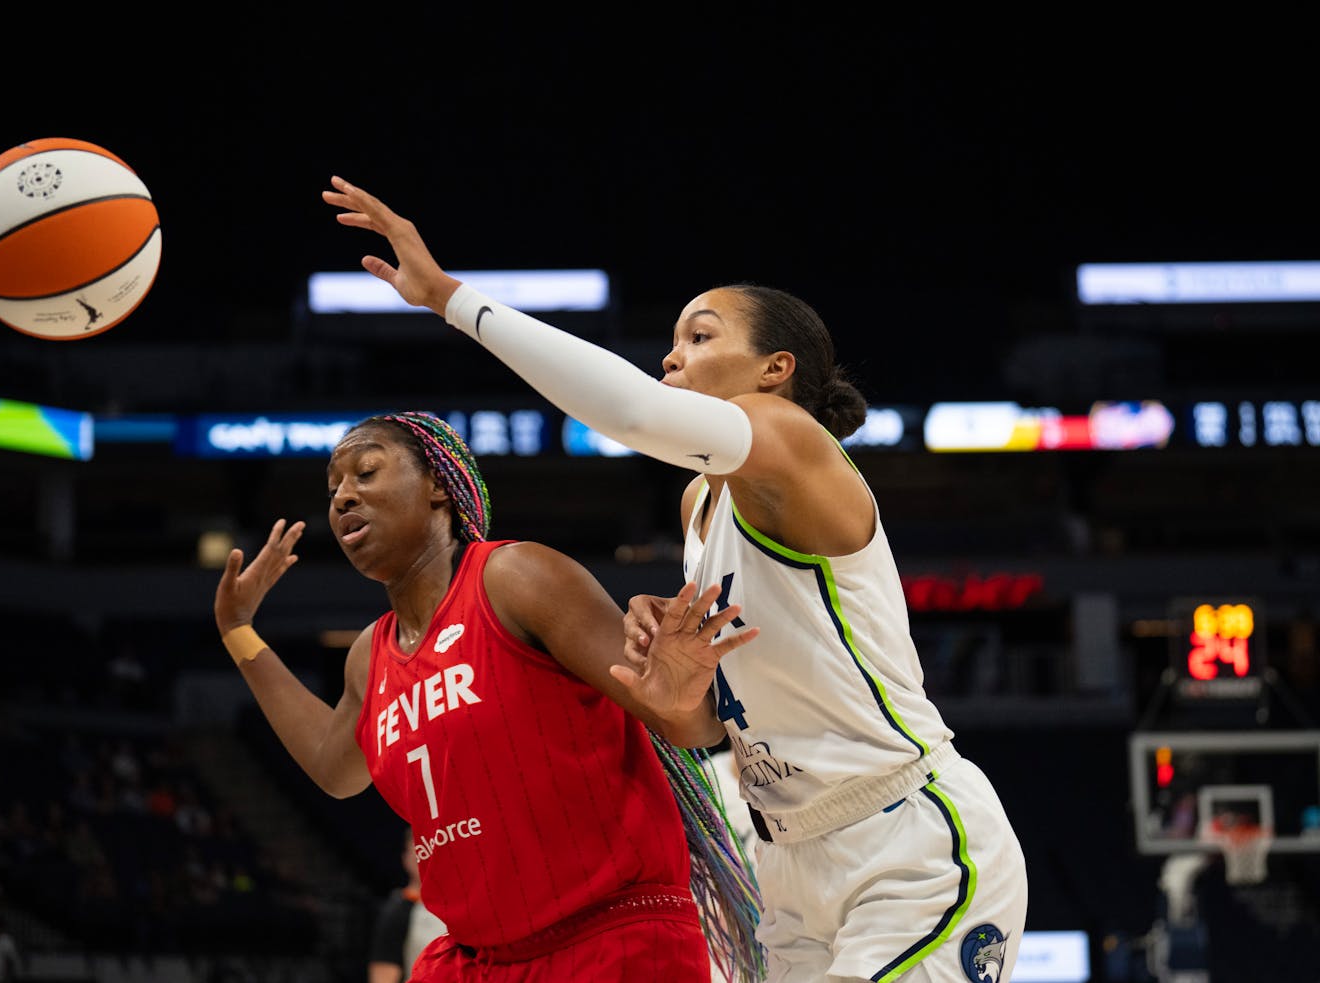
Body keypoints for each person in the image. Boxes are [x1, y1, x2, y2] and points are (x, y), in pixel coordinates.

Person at [321, 176, 1030, 983]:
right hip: (789, 861)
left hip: (904, 839)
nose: (671, 355)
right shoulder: (702, 504)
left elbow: (629, 415)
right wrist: (672, 681)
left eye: (699, 336)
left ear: (775, 369)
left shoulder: (794, 444)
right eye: (673, 338)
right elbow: (702, 733)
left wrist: (450, 298)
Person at [213, 411, 762, 982]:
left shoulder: (517, 577)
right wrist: (238, 632)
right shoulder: (368, 658)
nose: (344, 496)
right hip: (478, 960)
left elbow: (692, 728)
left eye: (366, 472)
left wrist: (676, 698)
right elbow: (335, 768)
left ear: (438, 488)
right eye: (334, 489)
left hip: (609, 939)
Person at [368, 827, 447, 983]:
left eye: (433, 849)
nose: (426, 858)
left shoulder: (460, 908)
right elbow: (383, 976)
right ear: (405, 859)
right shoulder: (398, 911)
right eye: (419, 851)